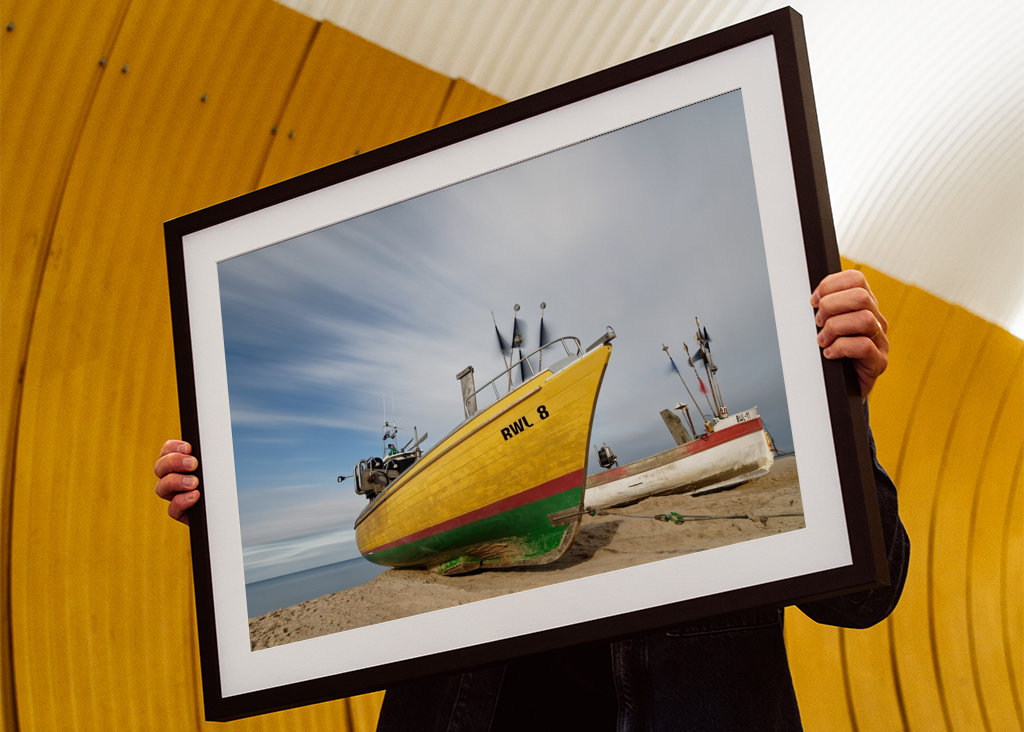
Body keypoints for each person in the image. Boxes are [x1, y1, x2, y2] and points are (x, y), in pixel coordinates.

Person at [155, 270, 908, 731]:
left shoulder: (819, 405)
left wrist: (842, 406)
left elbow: (865, 598)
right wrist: (217, 517)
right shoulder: (389, 494)